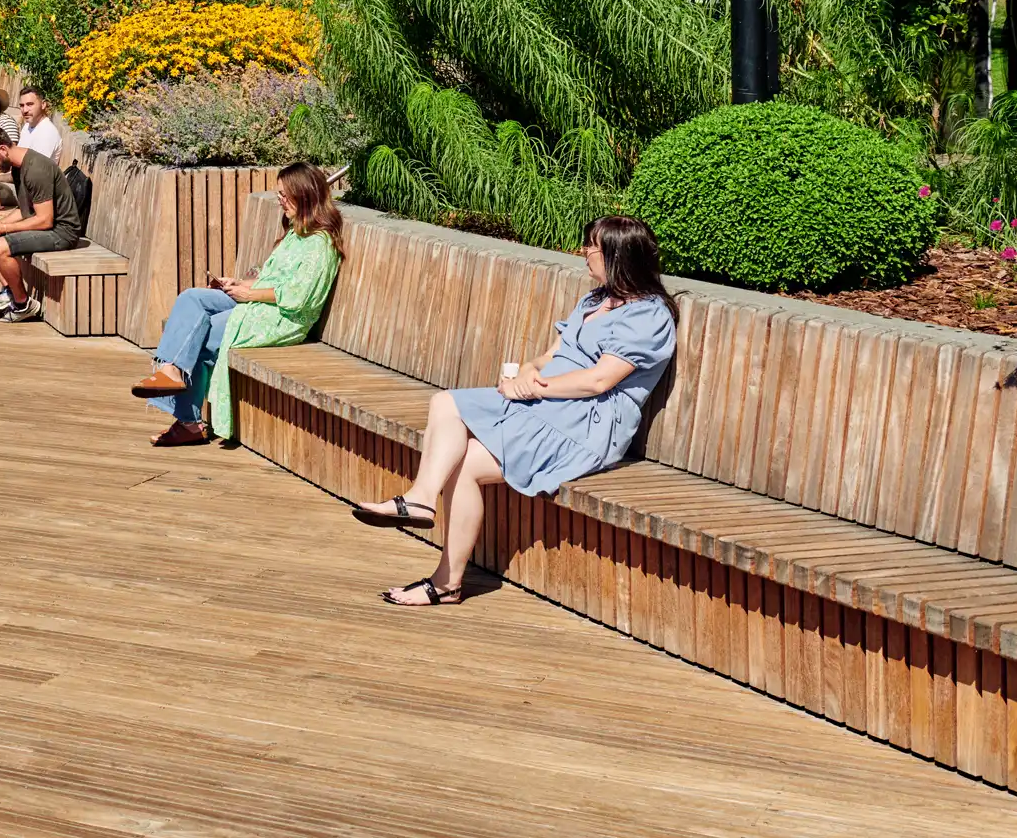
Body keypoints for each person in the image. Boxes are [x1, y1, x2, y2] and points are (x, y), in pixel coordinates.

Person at [353, 214, 679, 608]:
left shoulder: (649, 315)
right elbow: (553, 354)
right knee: (446, 403)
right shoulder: (595, 300)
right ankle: (422, 503)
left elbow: (599, 381)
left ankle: (445, 579)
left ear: (618, 254)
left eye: (592, 246)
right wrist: (527, 371)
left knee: (466, 462)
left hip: (583, 424)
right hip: (547, 404)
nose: (584, 253)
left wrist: (535, 388)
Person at [132, 163, 343, 447]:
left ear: (304, 195)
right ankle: (170, 369)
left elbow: (297, 297)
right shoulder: (296, 234)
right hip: (259, 303)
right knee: (191, 299)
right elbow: (273, 280)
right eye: (278, 194)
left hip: (281, 320)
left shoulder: (320, 245)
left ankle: (188, 422)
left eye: (284, 195)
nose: (280, 201)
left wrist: (249, 295)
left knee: (202, 337)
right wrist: (239, 285)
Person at [0, 127, 84, 322]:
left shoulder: (35, 169)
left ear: (2, 149)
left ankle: (23, 304)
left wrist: (4, 228)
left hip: (62, 232)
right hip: (46, 226)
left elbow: (44, 219)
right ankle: (10, 289)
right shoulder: (18, 167)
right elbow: (24, 210)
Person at [14, 86, 64, 161]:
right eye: (22, 105)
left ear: (43, 104)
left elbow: (34, 167)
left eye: (30, 104)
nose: (25, 110)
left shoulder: (47, 132)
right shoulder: (28, 126)